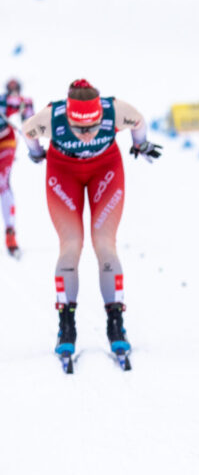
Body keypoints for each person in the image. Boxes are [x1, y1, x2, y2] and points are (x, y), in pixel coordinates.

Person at [21, 79, 161, 357]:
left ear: (100, 116)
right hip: (63, 172)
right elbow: (28, 132)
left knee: (104, 243)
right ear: (68, 118)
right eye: (79, 128)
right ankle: (67, 324)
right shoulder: (51, 117)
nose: (86, 134)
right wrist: (36, 153)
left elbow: (139, 121)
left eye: (92, 127)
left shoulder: (115, 111)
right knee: (71, 244)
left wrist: (140, 144)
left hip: (105, 170)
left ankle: (116, 323)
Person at [0, 77, 34, 257]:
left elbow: (26, 107)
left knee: (2, 183)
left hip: (6, 140)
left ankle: (10, 233)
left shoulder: (6, 100)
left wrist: (26, 120)